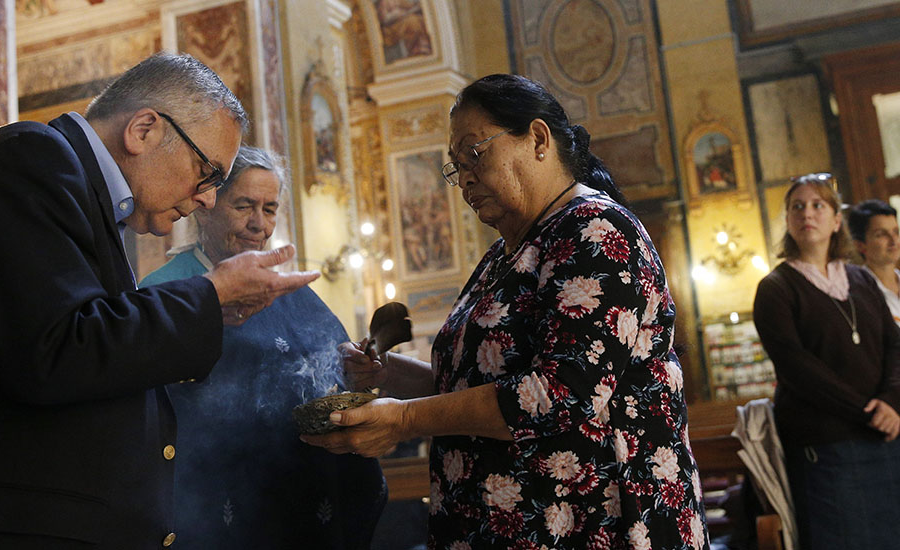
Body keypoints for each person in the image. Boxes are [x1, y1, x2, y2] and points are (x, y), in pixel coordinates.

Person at [0, 52, 319, 547]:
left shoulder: (85, 194)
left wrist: (211, 306)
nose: (207, 198)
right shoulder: (27, 159)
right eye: (207, 172)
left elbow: (93, 338)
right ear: (144, 130)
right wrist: (209, 296)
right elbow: (56, 347)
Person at [305, 74, 708, 549]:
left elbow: (561, 393)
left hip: (592, 521)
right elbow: (476, 388)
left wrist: (404, 420)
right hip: (504, 523)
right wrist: (385, 375)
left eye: (475, 153)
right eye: (456, 167)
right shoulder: (503, 255)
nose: (465, 179)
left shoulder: (597, 232)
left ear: (537, 139)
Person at [140, 145, 387, 548]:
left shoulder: (288, 288)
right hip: (212, 501)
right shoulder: (166, 289)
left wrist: (354, 366)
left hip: (310, 494)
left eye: (270, 209)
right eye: (244, 206)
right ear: (207, 206)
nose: (259, 224)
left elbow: (333, 365)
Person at [752, 173, 900, 550]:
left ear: (837, 221)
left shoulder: (861, 281)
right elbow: (798, 368)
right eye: (797, 207)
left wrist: (892, 402)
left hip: (885, 437)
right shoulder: (777, 288)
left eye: (819, 205)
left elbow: (893, 347)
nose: (808, 213)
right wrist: (868, 410)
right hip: (826, 444)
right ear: (788, 220)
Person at [847, 198, 900, 325]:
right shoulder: (858, 294)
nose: (893, 240)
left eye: (896, 232)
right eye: (881, 234)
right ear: (860, 245)